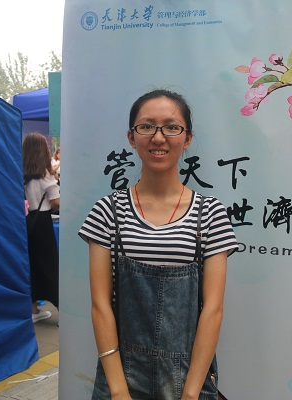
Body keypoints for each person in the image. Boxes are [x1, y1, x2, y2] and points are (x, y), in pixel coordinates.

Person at [79, 89, 238, 399]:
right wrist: (118, 391)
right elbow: (100, 305)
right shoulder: (107, 211)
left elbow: (213, 309)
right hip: (121, 375)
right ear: (131, 136)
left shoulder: (210, 213)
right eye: (147, 126)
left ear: (187, 138)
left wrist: (190, 393)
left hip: (189, 378)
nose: (159, 137)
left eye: (171, 127)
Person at [23, 132, 60, 323]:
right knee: (50, 266)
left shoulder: (22, 174)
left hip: (26, 223)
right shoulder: (45, 174)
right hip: (43, 224)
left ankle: (34, 310)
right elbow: (56, 202)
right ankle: (62, 310)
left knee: (32, 266)